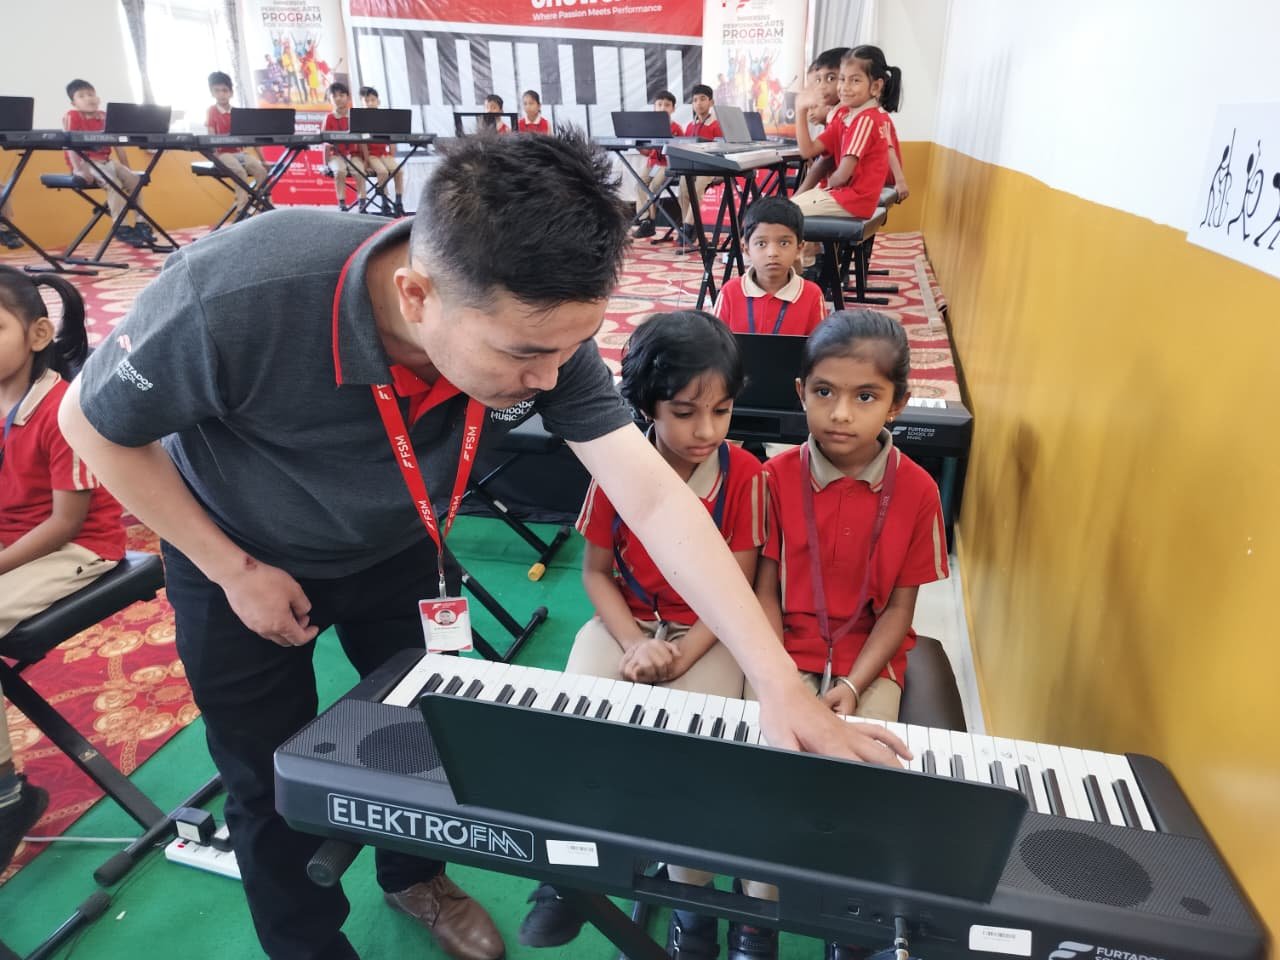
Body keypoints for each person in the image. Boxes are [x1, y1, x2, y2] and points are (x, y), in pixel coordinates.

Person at [58, 131, 907, 960]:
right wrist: (231, 568)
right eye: (526, 355)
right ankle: (307, 943)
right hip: (238, 553)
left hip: (403, 544)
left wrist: (779, 684)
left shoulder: (539, 326)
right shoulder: (239, 292)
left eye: (571, 349)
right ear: (417, 296)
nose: (550, 380)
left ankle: (415, 878)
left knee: (422, 733)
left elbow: (651, 495)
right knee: (266, 778)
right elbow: (89, 425)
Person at [519, 311, 765, 953]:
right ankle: (570, 875)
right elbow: (596, 573)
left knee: (697, 755)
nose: (706, 430)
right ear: (646, 405)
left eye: (721, 411)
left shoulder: (746, 475)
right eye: (685, 412)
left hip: (707, 631)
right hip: (626, 623)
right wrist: (633, 642)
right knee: (577, 724)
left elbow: (735, 590)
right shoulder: (619, 467)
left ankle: (693, 906)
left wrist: (679, 656)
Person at [738, 310, 947, 960]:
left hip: (868, 665)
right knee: (764, 774)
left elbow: (900, 612)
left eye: (865, 397)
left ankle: (850, 921)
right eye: (824, 392)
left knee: (864, 786)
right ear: (800, 391)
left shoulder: (919, 491)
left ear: (897, 403)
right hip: (782, 656)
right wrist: (781, 678)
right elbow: (764, 590)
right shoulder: (772, 479)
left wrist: (853, 686)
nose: (840, 414)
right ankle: (758, 915)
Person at [0, 266, 127, 871]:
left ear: (37, 334)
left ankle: (8, 797)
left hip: (76, 551)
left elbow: (64, 524)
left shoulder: (61, 409)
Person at [789, 50, 900, 221]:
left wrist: (829, 186)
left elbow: (842, 175)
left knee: (784, 213)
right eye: (842, 79)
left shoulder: (864, 120)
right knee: (785, 209)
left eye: (855, 80)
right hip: (848, 198)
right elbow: (811, 154)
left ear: (875, 87)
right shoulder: (850, 117)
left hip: (852, 200)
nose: (845, 87)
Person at [713, 196, 826, 336]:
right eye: (761, 244)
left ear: (799, 248)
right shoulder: (730, 292)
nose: (772, 253)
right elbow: (715, 343)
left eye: (784, 243)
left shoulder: (812, 294)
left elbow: (821, 346)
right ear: (746, 249)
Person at [62, 79, 150, 249]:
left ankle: (141, 223)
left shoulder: (104, 116)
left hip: (107, 161)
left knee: (135, 181)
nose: (88, 98)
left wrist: (126, 166)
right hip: (86, 162)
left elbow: (118, 145)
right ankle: (121, 227)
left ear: (98, 98)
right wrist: (77, 169)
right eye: (82, 96)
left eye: (91, 94)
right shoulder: (73, 116)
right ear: (74, 103)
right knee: (114, 183)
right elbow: (69, 144)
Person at [206, 71, 270, 220]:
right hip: (223, 154)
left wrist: (263, 160)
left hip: (239, 153)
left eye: (225, 90)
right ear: (212, 93)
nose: (221, 94)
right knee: (239, 172)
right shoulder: (212, 111)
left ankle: (264, 205)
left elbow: (252, 138)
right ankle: (242, 210)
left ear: (231, 93)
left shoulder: (237, 113)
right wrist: (214, 157)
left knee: (261, 171)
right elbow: (210, 135)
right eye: (217, 91)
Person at [793, 48, 850, 197]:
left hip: (841, 194)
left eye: (830, 78)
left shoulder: (843, 117)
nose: (821, 88)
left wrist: (800, 108)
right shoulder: (839, 116)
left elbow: (808, 152)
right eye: (818, 80)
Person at [631, 90, 683, 240]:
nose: (662, 108)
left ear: (673, 108)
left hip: (667, 164)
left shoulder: (677, 128)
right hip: (653, 164)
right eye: (659, 104)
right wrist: (639, 147)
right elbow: (648, 152)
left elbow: (681, 150)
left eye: (667, 105)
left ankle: (650, 223)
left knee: (653, 188)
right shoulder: (650, 127)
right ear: (654, 107)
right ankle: (645, 220)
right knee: (640, 185)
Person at [677, 84, 723, 252]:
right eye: (695, 100)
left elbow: (722, 150)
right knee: (683, 189)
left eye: (703, 99)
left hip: (710, 167)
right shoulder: (690, 126)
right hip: (691, 167)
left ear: (711, 102)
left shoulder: (717, 125)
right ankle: (690, 227)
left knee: (697, 189)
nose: (698, 103)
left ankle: (687, 228)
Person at [359, 86, 405, 217]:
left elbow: (392, 139)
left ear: (378, 101)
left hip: (384, 154)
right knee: (382, 172)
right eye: (367, 101)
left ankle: (398, 202)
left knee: (399, 171)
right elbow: (363, 143)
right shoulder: (362, 119)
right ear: (362, 102)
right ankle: (385, 203)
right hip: (372, 155)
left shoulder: (385, 118)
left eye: (373, 100)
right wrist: (367, 161)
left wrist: (392, 154)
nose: (370, 103)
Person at [323, 82, 368, 210]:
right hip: (336, 155)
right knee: (339, 171)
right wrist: (325, 164)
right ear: (330, 99)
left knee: (360, 171)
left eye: (342, 95)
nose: (338, 98)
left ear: (348, 97)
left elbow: (362, 140)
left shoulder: (355, 116)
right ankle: (342, 202)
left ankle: (362, 202)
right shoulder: (329, 118)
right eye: (334, 96)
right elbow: (326, 143)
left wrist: (366, 160)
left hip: (354, 155)